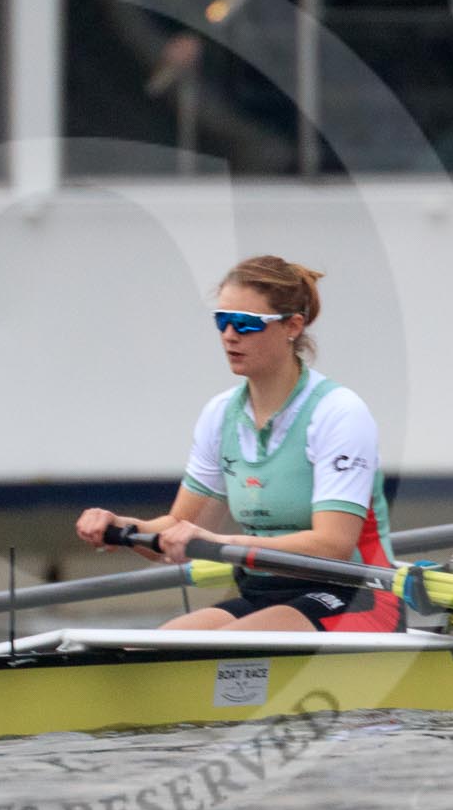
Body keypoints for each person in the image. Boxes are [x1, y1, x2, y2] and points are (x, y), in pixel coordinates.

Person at [74, 256, 404, 633]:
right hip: (265, 592)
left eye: (246, 324)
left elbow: (334, 544)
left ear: (292, 327)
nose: (230, 335)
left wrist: (218, 540)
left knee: (213, 649)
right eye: (222, 320)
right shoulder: (220, 415)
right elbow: (177, 531)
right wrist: (124, 526)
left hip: (357, 597)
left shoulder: (337, 412)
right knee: (151, 647)